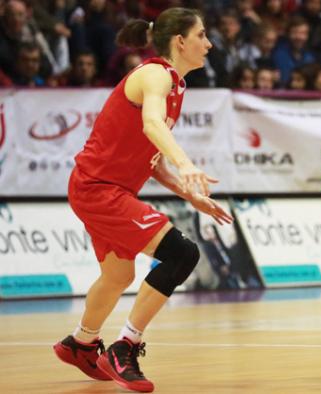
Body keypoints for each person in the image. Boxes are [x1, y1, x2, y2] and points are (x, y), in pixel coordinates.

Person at [52, 8, 232, 393]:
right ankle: (125, 345)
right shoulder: (155, 75)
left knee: (119, 275)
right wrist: (186, 164)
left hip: (105, 189)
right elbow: (152, 125)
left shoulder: (177, 86)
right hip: (98, 188)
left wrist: (192, 196)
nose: (209, 43)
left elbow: (151, 161)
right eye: (202, 35)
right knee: (182, 254)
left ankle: (81, 343)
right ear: (180, 41)